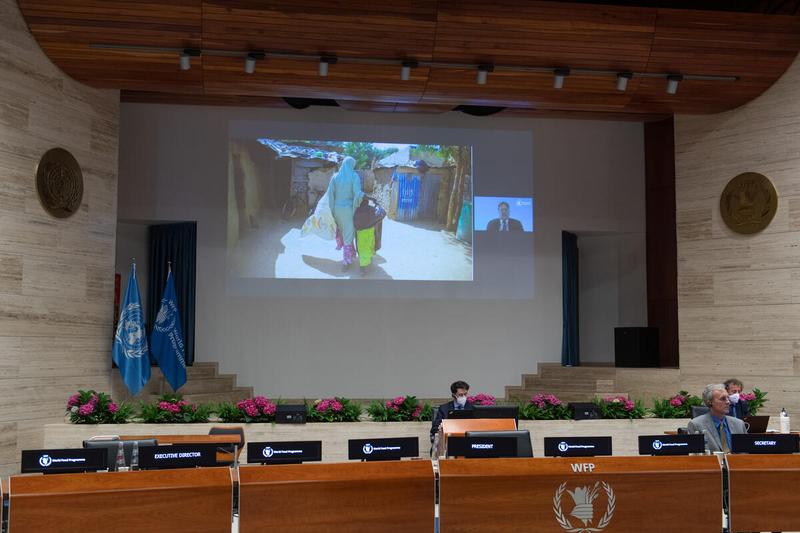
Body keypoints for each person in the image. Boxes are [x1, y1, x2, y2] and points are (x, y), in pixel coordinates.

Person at [326, 156, 364, 271]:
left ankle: (351, 255)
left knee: (345, 233)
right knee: (348, 235)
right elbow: (357, 194)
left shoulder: (335, 177)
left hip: (337, 210)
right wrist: (361, 197)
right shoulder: (354, 176)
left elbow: (330, 196)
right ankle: (346, 262)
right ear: (352, 165)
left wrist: (332, 211)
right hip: (348, 211)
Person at [687, 383, 746, 453]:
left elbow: (746, 452)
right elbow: (697, 455)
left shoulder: (739, 424)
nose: (728, 402)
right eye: (723, 399)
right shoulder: (696, 425)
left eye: (728, 398)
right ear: (710, 402)